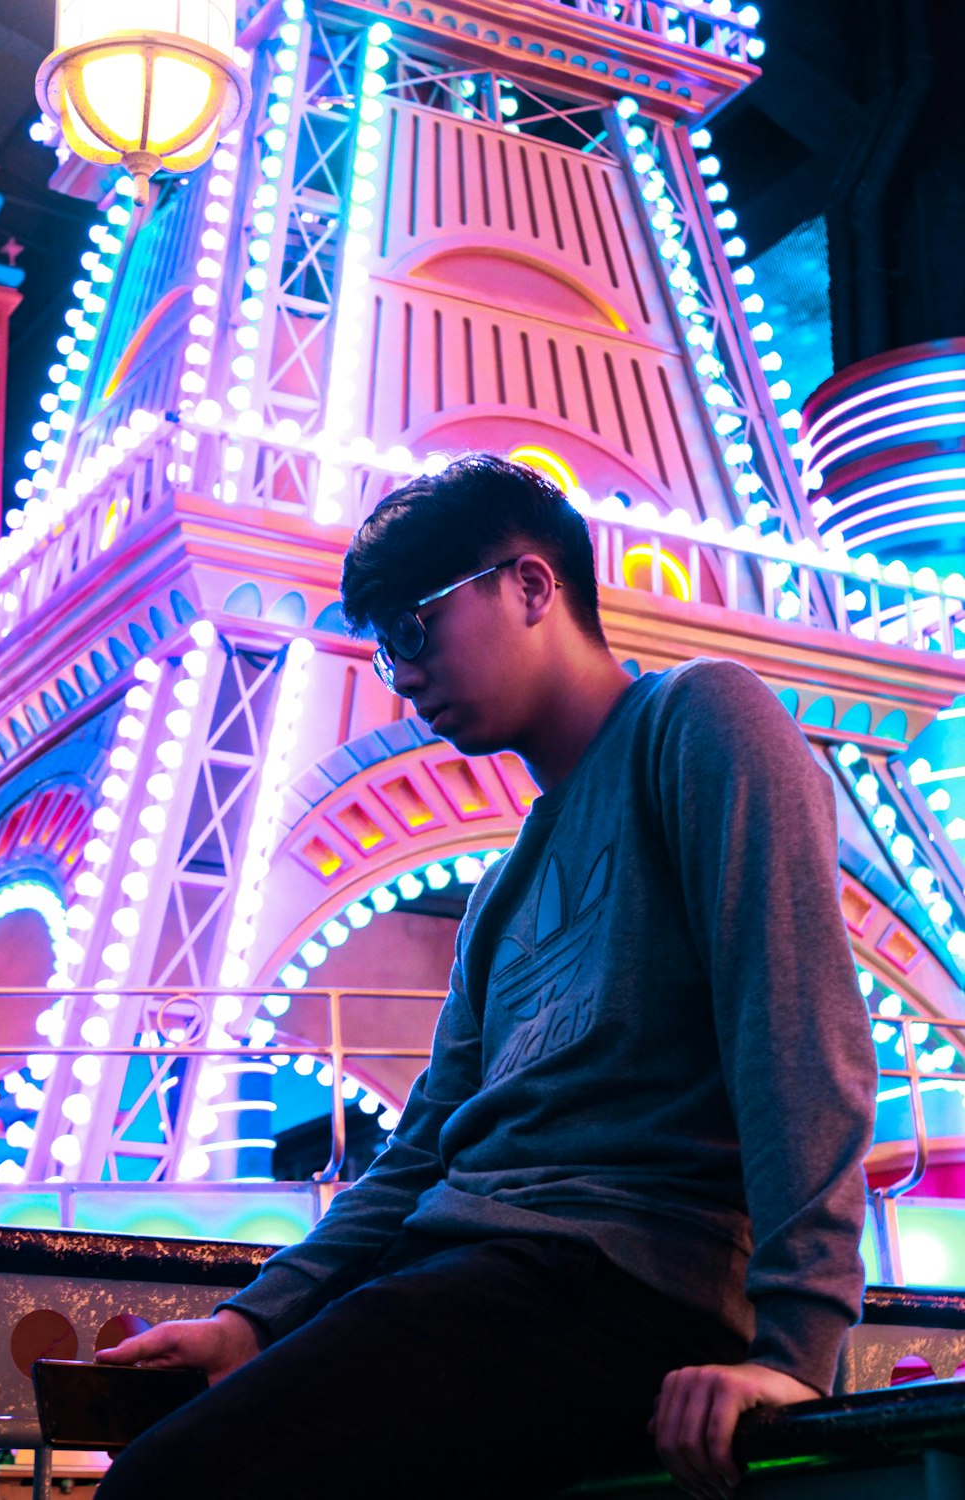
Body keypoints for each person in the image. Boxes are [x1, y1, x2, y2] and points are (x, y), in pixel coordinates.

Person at [96, 455, 877, 1500]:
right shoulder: (503, 888)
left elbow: (797, 1037)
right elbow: (423, 1149)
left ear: (530, 585)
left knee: (165, 1489)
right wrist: (255, 1319)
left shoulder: (701, 721)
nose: (400, 671)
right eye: (381, 650)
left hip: (606, 1279)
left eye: (414, 628)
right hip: (462, 1280)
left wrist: (792, 1358)